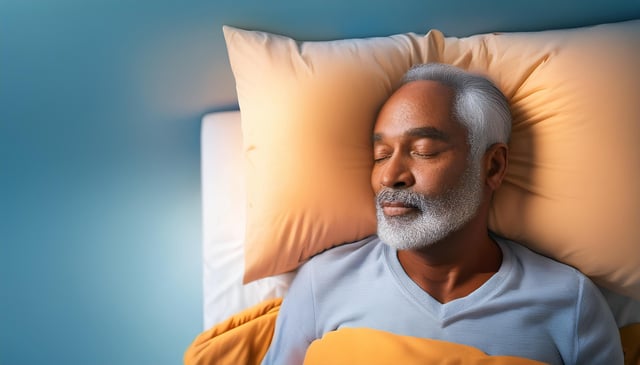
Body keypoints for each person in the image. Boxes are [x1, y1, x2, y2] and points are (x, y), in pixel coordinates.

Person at [261, 63, 623, 365]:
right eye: (381, 155)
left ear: (492, 167)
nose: (390, 176)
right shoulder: (321, 283)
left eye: (424, 151)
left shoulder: (569, 302)